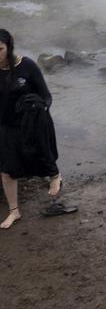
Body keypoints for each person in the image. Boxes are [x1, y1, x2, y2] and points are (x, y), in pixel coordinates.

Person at [0, 30, 64, 229]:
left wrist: (39, 112)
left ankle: (55, 178)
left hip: (30, 123)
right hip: (5, 126)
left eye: (0, 49)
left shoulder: (26, 66)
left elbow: (46, 96)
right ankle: (14, 211)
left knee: (42, 155)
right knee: (7, 169)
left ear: (9, 47)